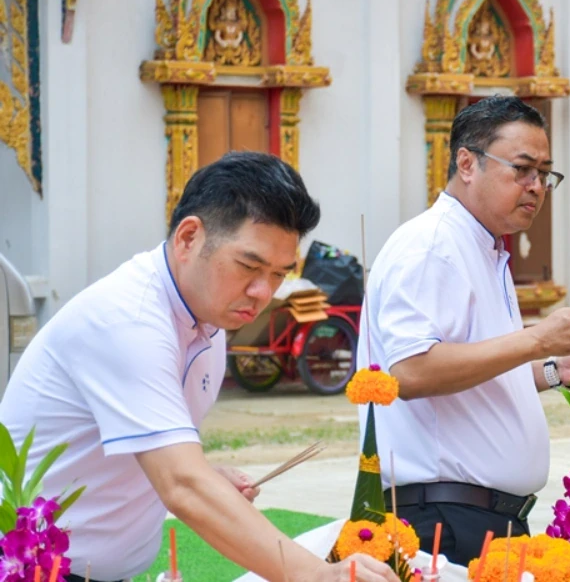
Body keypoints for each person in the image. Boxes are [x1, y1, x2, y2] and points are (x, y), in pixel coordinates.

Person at [0, 153, 398, 582]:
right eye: (249, 266)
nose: (263, 292)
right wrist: (320, 576)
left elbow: (170, 465)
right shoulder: (128, 320)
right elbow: (183, 485)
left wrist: (208, 477)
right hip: (35, 569)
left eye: (280, 275)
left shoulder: (206, 323)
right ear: (188, 238)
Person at [358, 96, 570, 566]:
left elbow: (478, 367)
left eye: (544, 174)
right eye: (522, 169)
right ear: (467, 163)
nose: (536, 187)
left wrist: (555, 369)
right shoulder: (433, 245)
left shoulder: (482, 246)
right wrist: (539, 339)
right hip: (444, 518)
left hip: (483, 517)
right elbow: (412, 372)